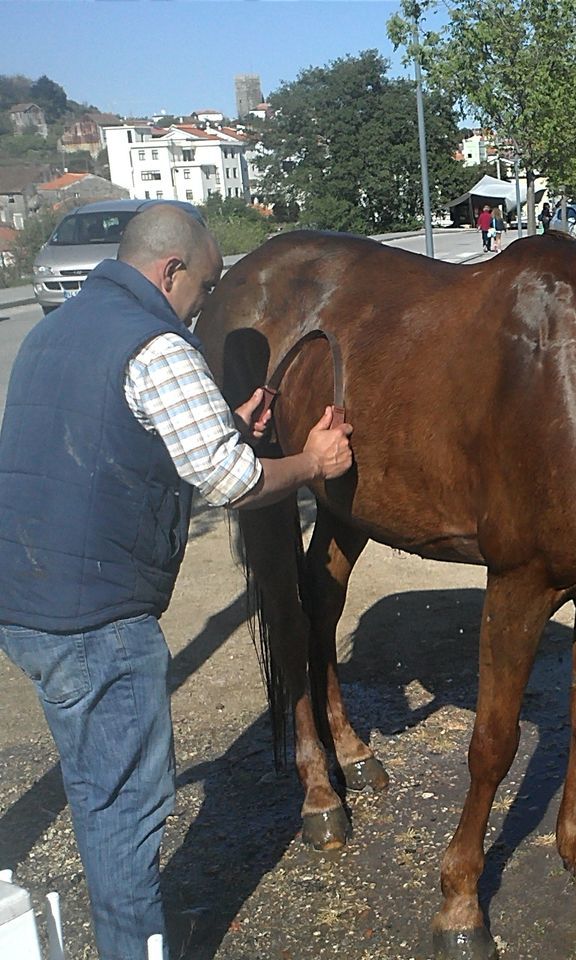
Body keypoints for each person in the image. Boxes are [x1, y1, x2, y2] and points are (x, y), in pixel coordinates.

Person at [0, 204, 353, 960]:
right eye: (206, 283)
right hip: (96, 621)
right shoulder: (156, 344)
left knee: (99, 796)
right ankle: (138, 948)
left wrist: (221, 419)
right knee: (127, 808)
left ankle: (137, 930)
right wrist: (312, 465)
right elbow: (233, 480)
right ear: (170, 272)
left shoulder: (53, 330)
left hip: (29, 606)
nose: (204, 302)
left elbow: (110, 444)